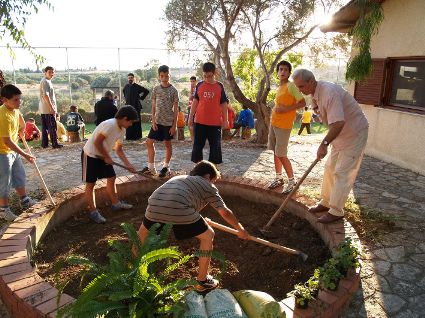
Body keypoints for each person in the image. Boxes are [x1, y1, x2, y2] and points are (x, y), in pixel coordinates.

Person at [137, 160, 249, 291]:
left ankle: (132, 272)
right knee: (208, 235)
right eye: (213, 180)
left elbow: (181, 198)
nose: (212, 183)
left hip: (154, 206)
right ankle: (202, 281)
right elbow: (224, 211)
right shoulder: (208, 185)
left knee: (141, 235)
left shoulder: (179, 178)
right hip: (180, 209)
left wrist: (200, 220)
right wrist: (240, 229)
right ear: (207, 176)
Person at [292, 69, 369, 224]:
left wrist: (324, 143)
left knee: (342, 172)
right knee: (329, 168)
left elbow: (339, 122)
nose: (300, 90)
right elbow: (332, 121)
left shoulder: (329, 93)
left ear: (311, 82)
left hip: (354, 133)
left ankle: (336, 211)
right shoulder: (315, 94)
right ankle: (326, 202)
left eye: (301, 86)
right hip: (339, 135)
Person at [81, 105, 138, 223]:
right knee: (91, 184)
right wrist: (107, 157)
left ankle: (115, 204)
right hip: (91, 155)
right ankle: (93, 212)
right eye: (131, 122)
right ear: (125, 118)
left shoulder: (122, 129)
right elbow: (97, 142)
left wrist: (128, 165)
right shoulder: (110, 124)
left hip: (103, 155)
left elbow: (118, 149)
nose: (131, 124)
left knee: (112, 177)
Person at [267, 61, 306, 193]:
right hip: (274, 123)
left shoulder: (291, 86)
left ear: (289, 73)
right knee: (275, 152)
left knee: (281, 154)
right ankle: (279, 178)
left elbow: (302, 102)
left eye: (285, 70)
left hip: (284, 126)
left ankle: (292, 181)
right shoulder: (280, 87)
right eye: (280, 69)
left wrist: (287, 109)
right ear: (277, 72)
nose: (282, 72)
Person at [0, 84, 37, 221]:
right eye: (15, 100)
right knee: (5, 180)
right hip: (2, 152)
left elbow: (20, 120)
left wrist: (22, 128)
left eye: (19, 99)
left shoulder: (14, 110)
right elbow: (7, 141)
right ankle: (3, 209)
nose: (19, 102)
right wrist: (25, 154)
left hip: (12, 150)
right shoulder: (2, 115)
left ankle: (25, 200)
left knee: (19, 174)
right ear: (5, 100)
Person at [189, 62, 229, 167]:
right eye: (205, 76)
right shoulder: (199, 85)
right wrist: (190, 118)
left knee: (215, 147)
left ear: (214, 73)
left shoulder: (219, 86)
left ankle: (214, 171)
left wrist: (226, 120)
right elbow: (195, 102)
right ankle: (198, 170)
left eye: (210, 76)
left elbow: (224, 103)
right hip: (200, 122)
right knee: (197, 147)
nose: (207, 79)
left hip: (215, 123)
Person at [141, 65, 179, 178]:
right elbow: (153, 106)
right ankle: (151, 167)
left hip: (168, 123)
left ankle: (166, 167)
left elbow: (176, 109)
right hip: (157, 122)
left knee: (167, 144)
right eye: (162, 76)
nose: (164, 78)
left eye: (166, 76)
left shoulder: (174, 90)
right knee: (149, 142)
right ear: (159, 76)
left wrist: (174, 125)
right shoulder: (156, 89)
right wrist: (153, 121)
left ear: (169, 75)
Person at [39, 66, 63, 149]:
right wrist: (52, 108)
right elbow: (46, 95)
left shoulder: (46, 81)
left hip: (44, 109)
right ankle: (55, 143)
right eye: (50, 72)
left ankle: (44, 144)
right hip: (48, 109)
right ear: (45, 72)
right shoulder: (45, 81)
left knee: (45, 127)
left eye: (53, 72)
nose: (52, 74)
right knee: (52, 126)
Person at [122, 73, 149, 140]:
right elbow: (125, 95)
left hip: (136, 107)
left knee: (136, 121)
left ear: (133, 78)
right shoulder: (125, 87)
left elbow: (146, 91)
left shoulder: (137, 86)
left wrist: (141, 98)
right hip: (128, 107)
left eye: (131, 77)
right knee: (128, 121)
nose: (130, 79)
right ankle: (129, 137)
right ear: (127, 79)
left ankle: (137, 136)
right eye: (129, 78)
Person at [187, 76, 197, 141]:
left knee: (193, 124)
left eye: (193, 81)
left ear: (196, 81)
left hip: (195, 109)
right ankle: (193, 139)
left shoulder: (197, 88)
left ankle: (194, 140)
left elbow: (192, 98)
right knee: (189, 124)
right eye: (191, 81)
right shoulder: (191, 89)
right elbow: (190, 99)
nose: (192, 83)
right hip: (190, 107)